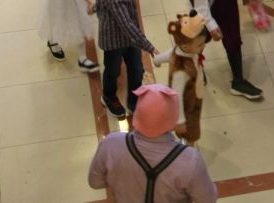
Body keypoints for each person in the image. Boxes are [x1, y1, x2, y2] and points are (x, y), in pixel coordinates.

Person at [88, 83, 218, 203]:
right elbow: (208, 199)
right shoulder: (190, 160)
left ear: (137, 115)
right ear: (173, 122)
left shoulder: (111, 144)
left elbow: (95, 182)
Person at [95, 0, 159, 119]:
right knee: (113, 71)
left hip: (129, 40)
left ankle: (133, 101)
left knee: (137, 70)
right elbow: (128, 26)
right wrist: (150, 48)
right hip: (114, 42)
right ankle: (108, 96)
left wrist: (97, 7)